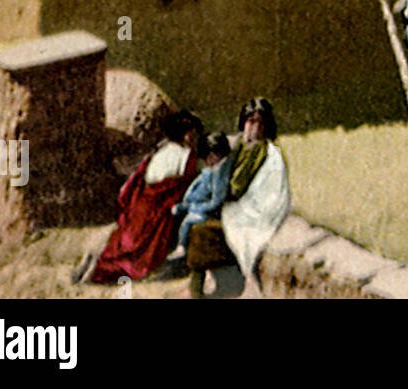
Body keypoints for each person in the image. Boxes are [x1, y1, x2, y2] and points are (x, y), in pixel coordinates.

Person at [82, 111, 203, 283]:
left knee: (125, 241)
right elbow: (183, 187)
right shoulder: (187, 156)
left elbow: (141, 180)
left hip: (140, 204)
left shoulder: (159, 153)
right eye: (193, 133)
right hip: (157, 207)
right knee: (141, 253)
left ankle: (95, 259)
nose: (195, 137)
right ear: (185, 133)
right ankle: (102, 267)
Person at [185, 99, 290, 299]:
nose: (254, 128)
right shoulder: (240, 144)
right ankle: (196, 285)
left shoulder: (266, 152)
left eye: (260, 123)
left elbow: (263, 190)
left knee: (201, 229)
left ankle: (197, 289)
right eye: (251, 121)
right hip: (232, 203)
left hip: (250, 210)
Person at [173, 132, 233, 252]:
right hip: (200, 202)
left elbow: (216, 201)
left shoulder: (221, 172)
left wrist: (194, 207)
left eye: (209, 157)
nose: (208, 162)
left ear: (214, 155)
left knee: (187, 222)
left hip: (209, 211)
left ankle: (181, 247)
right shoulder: (216, 169)